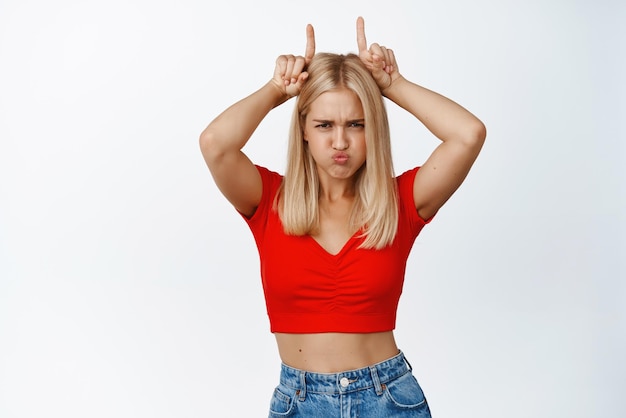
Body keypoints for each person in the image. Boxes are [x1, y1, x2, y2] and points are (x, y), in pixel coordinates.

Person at [199, 16, 485, 418]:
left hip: (388, 399)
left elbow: (468, 133)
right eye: (324, 125)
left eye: (356, 124)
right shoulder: (268, 201)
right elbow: (215, 145)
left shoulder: (399, 202)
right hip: (300, 401)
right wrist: (276, 90)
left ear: (374, 129)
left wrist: (392, 85)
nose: (340, 142)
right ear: (303, 130)